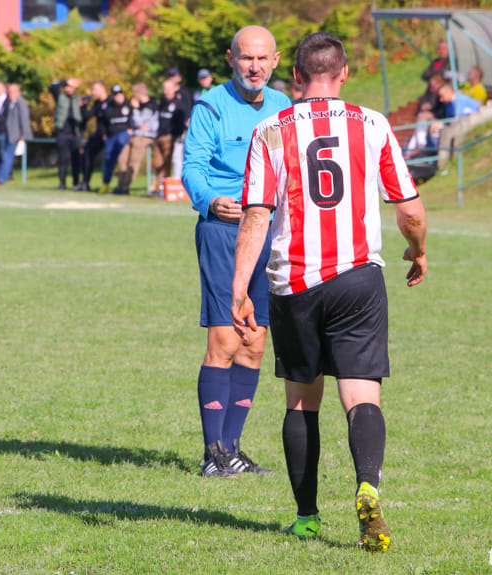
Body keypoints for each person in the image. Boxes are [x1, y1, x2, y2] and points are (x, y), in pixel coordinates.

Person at [231, 32, 427, 550]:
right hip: (358, 276)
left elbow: (255, 213)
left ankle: (307, 517)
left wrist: (238, 287)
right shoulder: (373, 123)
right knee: (361, 392)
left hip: (294, 280)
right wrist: (419, 249)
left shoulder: (271, 128)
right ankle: (368, 485)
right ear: (344, 74)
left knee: (301, 401)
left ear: (294, 77)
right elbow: (409, 210)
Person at [182, 25, 292, 477]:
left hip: (271, 231)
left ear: (276, 60)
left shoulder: (286, 107)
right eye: (247, 58)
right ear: (231, 58)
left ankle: (232, 449)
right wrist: (210, 199)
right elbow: (191, 166)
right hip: (225, 232)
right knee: (226, 339)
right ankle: (214, 455)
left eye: (263, 59)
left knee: (255, 343)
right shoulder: (210, 106)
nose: (255, 67)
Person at [114, 82, 158, 195]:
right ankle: (120, 185)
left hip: (145, 136)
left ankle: (125, 187)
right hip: (134, 135)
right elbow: (136, 123)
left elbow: (139, 122)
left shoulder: (150, 106)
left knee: (134, 161)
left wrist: (135, 109)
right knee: (122, 158)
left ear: (139, 93)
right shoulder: (137, 105)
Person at [0, 83, 33, 187]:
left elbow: (24, 119)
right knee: (5, 156)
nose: (10, 94)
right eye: (9, 92)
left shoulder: (20, 102)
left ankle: (0, 180)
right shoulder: (11, 103)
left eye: (13, 92)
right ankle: (0, 178)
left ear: (19, 92)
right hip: (8, 134)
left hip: (16, 136)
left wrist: (23, 135)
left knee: (7, 157)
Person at [98, 84, 133, 195]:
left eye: (120, 94)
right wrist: (104, 134)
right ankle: (106, 184)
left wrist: (131, 129)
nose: (118, 97)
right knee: (109, 159)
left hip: (123, 133)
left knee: (120, 145)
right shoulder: (108, 107)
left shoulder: (129, 105)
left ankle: (122, 186)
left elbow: (136, 119)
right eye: (116, 95)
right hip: (111, 136)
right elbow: (102, 122)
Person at [49, 77, 83, 190]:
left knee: (76, 159)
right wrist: (66, 81)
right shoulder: (60, 97)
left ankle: (76, 183)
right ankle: (62, 183)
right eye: (67, 87)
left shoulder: (79, 99)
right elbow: (52, 86)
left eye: (71, 87)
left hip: (75, 133)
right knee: (63, 159)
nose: (69, 89)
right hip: (63, 132)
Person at [78, 80, 109, 192]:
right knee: (86, 153)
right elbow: (88, 116)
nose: (93, 92)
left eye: (95, 89)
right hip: (98, 134)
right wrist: (83, 106)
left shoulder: (110, 101)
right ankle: (85, 183)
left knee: (108, 158)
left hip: (109, 135)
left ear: (102, 89)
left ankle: (107, 185)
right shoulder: (97, 103)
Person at [150, 79, 180, 194]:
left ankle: (163, 188)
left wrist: (175, 135)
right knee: (157, 163)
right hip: (158, 136)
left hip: (170, 137)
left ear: (174, 89)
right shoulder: (161, 103)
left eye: (168, 88)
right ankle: (157, 187)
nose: (165, 91)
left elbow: (181, 121)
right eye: (164, 88)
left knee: (166, 164)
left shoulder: (178, 104)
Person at [167, 67, 193, 180]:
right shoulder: (168, 94)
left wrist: (188, 119)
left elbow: (189, 107)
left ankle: (180, 180)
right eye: (171, 76)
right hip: (172, 129)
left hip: (184, 128)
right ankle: (176, 180)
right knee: (174, 157)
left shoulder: (184, 93)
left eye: (175, 76)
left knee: (182, 156)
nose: (173, 79)